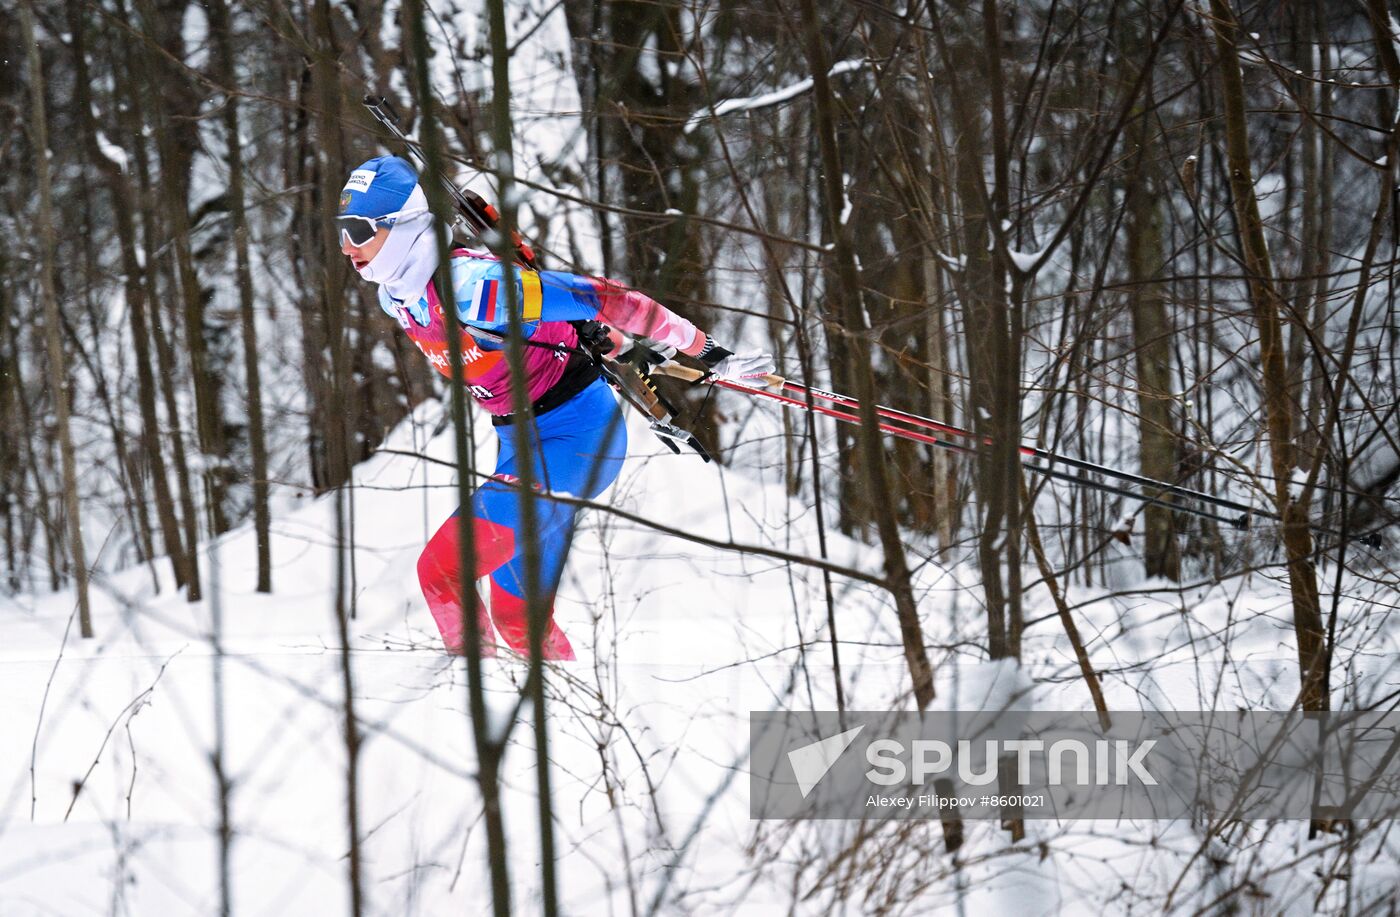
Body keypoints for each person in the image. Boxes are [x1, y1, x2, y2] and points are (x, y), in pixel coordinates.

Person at [338, 156, 772, 660]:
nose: (349, 247)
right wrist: (584, 333)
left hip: (576, 445)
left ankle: (467, 709)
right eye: (341, 232)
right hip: (518, 449)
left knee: (441, 573)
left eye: (360, 229)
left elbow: (610, 299)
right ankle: (581, 712)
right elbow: (542, 329)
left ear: (409, 226)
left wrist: (705, 352)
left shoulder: (473, 288)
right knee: (517, 619)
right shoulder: (400, 296)